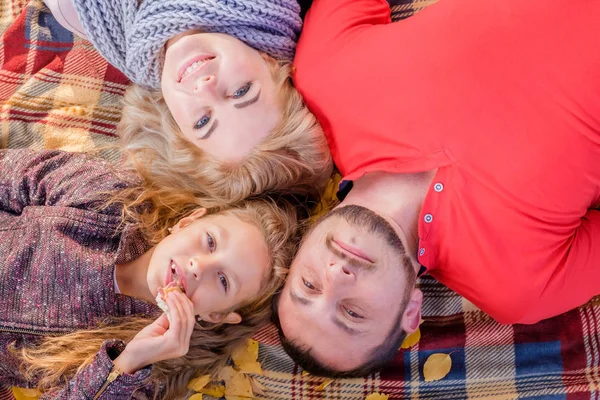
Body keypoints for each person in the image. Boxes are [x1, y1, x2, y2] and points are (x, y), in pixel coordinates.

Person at [274, 0, 600, 377]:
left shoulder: (322, 80)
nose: (336, 277)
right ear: (411, 312)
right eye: (352, 312)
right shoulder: (519, 289)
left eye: (309, 284)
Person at [0, 149, 299, 399]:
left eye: (223, 281)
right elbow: (14, 174)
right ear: (186, 222)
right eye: (209, 241)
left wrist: (128, 361)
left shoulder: (150, 373)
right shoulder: (112, 196)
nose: (199, 266)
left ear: (217, 315)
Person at [43, 0, 333, 206]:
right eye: (241, 92)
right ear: (271, 63)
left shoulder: (79, 13)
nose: (206, 89)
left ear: (176, 126)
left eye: (203, 122)